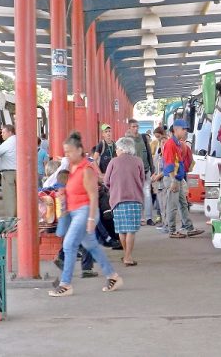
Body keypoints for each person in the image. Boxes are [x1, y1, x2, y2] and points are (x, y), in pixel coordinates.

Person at [49, 132, 122, 297]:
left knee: (69, 245)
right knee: (92, 246)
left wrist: (90, 218)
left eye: (69, 151)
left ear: (79, 150)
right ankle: (113, 276)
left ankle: (65, 284)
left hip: (85, 211)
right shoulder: (72, 168)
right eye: (65, 152)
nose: (66, 155)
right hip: (75, 212)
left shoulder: (86, 169)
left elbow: (93, 195)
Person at [104, 137, 145, 266]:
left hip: (118, 200)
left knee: (122, 230)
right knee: (131, 230)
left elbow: (106, 181)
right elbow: (142, 180)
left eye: (117, 148)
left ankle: (126, 255)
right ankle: (128, 256)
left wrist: (115, 188)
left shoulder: (113, 162)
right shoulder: (138, 161)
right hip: (134, 199)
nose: (116, 150)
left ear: (122, 148)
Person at [162, 120, 205, 239]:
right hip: (173, 178)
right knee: (173, 205)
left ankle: (189, 228)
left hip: (177, 178)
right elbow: (169, 164)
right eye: (184, 129)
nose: (186, 131)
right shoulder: (171, 144)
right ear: (176, 130)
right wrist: (173, 181)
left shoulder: (177, 144)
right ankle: (172, 230)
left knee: (182, 204)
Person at [127, 119, 154, 226]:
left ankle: (148, 218)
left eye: (137, 126)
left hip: (146, 170)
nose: (136, 128)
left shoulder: (143, 138)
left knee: (147, 194)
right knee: (134, 195)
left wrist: (152, 169)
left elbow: (148, 153)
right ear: (129, 128)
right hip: (133, 173)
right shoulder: (127, 140)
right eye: (133, 127)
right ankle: (137, 218)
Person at [0, 124, 17, 218]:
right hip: (20, 172)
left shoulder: (8, 142)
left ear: (10, 132)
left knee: (9, 197)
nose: (1, 134)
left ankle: (10, 220)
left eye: (3, 132)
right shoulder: (19, 140)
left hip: (9, 173)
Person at [151, 127, 167, 227]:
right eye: (156, 137)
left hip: (163, 179)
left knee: (164, 203)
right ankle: (165, 222)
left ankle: (167, 224)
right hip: (159, 178)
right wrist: (154, 174)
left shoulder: (166, 146)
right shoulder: (157, 146)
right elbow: (156, 162)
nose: (158, 140)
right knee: (160, 203)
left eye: (159, 137)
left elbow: (168, 166)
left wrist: (158, 176)